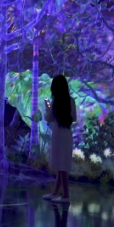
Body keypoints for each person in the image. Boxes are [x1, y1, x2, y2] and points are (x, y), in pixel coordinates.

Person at [43, 75, 76, 204]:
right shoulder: (71, 101)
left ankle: (66, 195)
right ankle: (56, 192)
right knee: (63, 164)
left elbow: (48, 118)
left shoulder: (55, 102)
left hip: (57, 133)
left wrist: (47, 108)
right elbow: (74, 117)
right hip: (67, 133)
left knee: (60, 165)